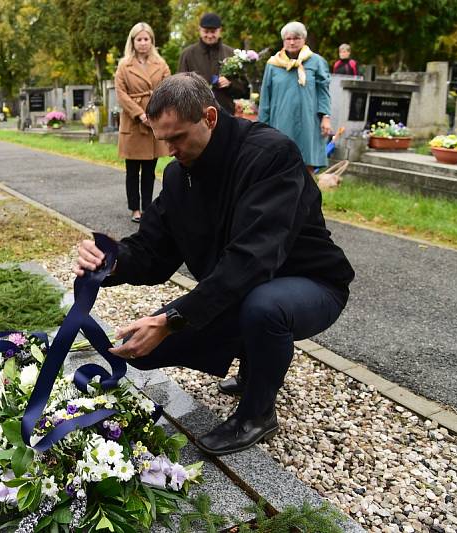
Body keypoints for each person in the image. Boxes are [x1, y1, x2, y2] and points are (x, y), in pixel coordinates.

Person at [73, 73, 354, 456]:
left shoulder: (270, 155)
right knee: (144, 350)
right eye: (162, 140)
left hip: (308, 284)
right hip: (242, 289)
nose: (169, 150)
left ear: (209, 117)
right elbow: (154, 251)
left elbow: (252, 260)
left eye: (176, 137)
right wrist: (110, 261)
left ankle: (257, 413)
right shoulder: (179, 175)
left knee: (264, 307)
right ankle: (256, 360)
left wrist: (171, 320)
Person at [258, 21, 333, 174]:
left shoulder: (316, 62)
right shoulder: (272, 65)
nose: (292, 42)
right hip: (280, 122)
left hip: (308, 121)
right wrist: (262, 127)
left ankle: (307, 196)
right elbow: (265, 98)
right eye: (288, 38)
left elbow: (323, 91)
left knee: (307, 164)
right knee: (280, 164)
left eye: (296, 38)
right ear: (283, 41)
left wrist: (325, 116)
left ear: (304, 39)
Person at [115, 22, 171, 223]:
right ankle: (134, 209)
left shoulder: (161, 64)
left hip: (154, 120)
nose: (143, 43)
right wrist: (140, 114)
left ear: (152, 41)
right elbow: (121, 94)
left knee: (149, 169)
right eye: (139, 39)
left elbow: (168, 88)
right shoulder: (124, 65)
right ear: (133, 41)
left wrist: (154, 114)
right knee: (132, 170)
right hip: (133, 123)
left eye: (146, 39)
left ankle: (147, 208)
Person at [178, 12, 247, 115]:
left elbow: (244, 89)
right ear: (199, 30)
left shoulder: (232, 54)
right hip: (196, 115)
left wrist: (230, 84)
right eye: (206, 31)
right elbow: (178, 87)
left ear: (220, 31)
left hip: (225, 114)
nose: (210, 35)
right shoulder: (187, 54)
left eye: (213, 31)